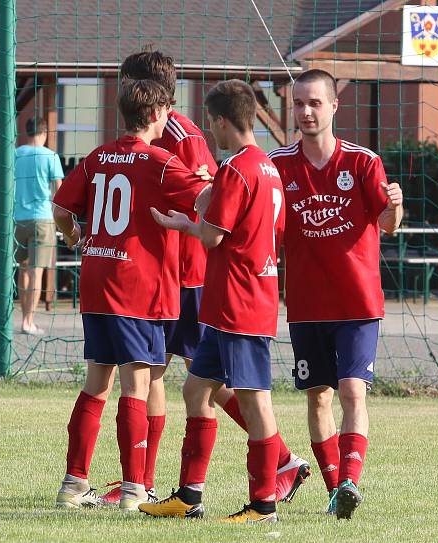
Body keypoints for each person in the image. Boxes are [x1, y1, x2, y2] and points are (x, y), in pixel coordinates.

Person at [103, 50, 310, 506]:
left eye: (124, 85)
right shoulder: (178, 135)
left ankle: (270, 467)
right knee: (184, 379)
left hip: (190, 276)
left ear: (145, 90)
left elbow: (207, 193)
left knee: (179, 377)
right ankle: (156, 483)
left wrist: (183, 224)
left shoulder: (181, 134)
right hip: (182, 273)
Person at [52, 79, 208, 512]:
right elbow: (208, 200)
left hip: (97, 280)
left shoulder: (98, 157)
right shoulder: (160, 162)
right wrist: (219, 181)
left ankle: (73, 484)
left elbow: (62, 209)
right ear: (158, 113)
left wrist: (74, 236)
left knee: (96, 382)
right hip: (136, 285)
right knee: (137, 385)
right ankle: (135, 489)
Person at [138, 79, 285, 523]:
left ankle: (264, 503)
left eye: (211, 124)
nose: (210, 132)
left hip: (242, 302)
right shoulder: (267, 167)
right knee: (196, 388)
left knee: (255, 400)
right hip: (231, 302)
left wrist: (182, 223)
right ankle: (189, 496)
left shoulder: (238, 168)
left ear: (222, 121)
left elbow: (212, 235)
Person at [267, 69, 403, 520]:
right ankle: (335, 493)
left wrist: (396, 206)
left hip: (358, 302)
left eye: (315, 103)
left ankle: (349, 480)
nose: (306, 112)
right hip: (306, 304)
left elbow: (387, 224)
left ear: (333, 107)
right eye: (299, 104)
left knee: (351, 391)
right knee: (318, 397)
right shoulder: (279, 164)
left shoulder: (363, 163)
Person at [14, 117, 64, 335]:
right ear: (44, 133)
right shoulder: (50, 156)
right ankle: (29, 320)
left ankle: (22, 318)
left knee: (22, 269)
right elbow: (59, 192)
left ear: (27, 132)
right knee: (37, 270)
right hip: (42, 218)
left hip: (17, 218)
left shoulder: (16, 154)